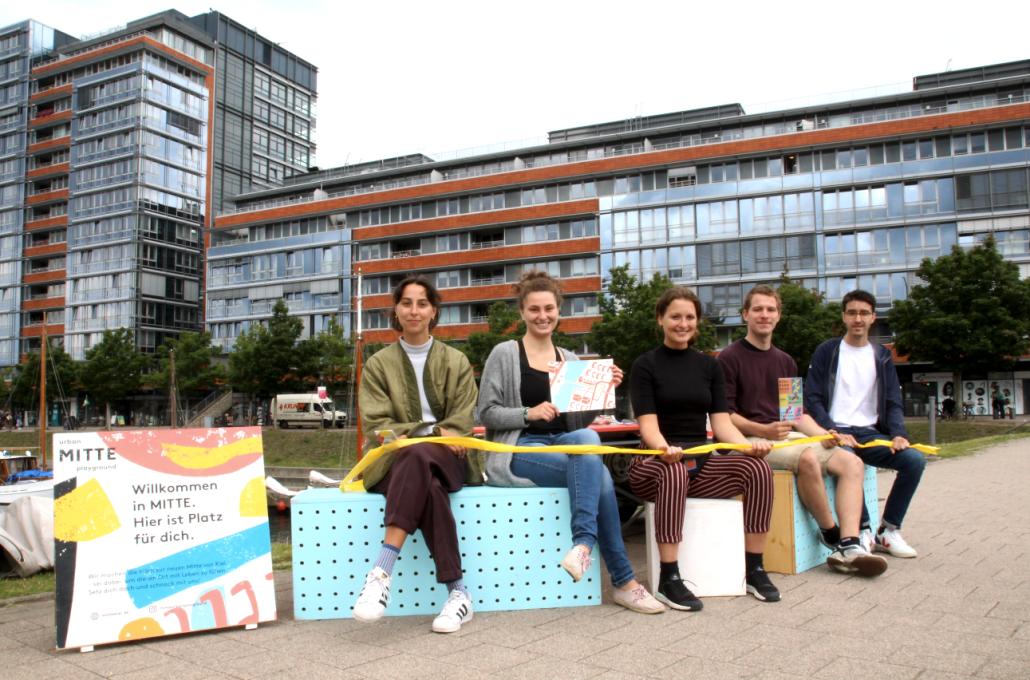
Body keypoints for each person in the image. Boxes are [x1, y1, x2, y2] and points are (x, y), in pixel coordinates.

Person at [477, 271, 664, 615]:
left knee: (588, 439)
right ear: (522, 312)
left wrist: (603, 392)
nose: (542, 315)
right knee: (601, 474)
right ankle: (622, 580)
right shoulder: (505, 353)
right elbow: (485, 412)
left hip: (566, 443)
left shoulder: (572, 360)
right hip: (521, 448)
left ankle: (583, 548)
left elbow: (579, 423)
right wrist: (527, 413)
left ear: (559, 311)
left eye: (549, 308)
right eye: (534, 309)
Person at [718, 285, 886, 577]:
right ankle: (830, 535)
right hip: (748, 440)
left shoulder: (785, 360)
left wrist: (825, 432)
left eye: (770, 309)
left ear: (778, 316)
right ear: (745, 314)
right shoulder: (728, 358)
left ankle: (851, 544)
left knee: (851, 461)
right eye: (757, 309)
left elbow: (795, 415)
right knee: (807, 457)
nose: (764, 315)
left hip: (785, 437)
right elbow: (726, 415)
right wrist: (763, 429)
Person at [629, 286, 780, 610]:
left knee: (758, 470)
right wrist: (664, 448)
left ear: (697, 322)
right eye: (675, 317)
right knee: (674, 472)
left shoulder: (709, 367)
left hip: (700, 462)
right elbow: (648, 426)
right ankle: (669, 577)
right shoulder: (645, 365)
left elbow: (722, 425)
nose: (682, 323)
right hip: (654, 462)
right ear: (661, 320)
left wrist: (747, 447)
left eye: (689, 317)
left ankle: (754, 568)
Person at [351, 276, 482, 633]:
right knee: (427, 484)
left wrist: (434, 433)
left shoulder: (455, 360)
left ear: (433, 311)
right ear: (396, 310)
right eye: (406, 303)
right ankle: (459, 594)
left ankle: (381, 571)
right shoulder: (378, 364)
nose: (414, 310)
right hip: (394, 461)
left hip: (450, 458)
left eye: (422, 303)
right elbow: (381, 426)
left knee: (420, 454)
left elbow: (462, 419)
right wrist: (436, 432)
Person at [805, 290, 925, 558]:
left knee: (914, 461)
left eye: (863, 313)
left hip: (871, 434)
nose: (857, 318)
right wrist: (830, 430)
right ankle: (863, 530)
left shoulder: (881, 356)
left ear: (873, 318)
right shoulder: (827, 351)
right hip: (836, 433)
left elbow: (893, 400)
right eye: (851, 313)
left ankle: (889, 530)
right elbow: (812, 398)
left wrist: (898, 434)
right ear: (844, 317)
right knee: (848, 462)